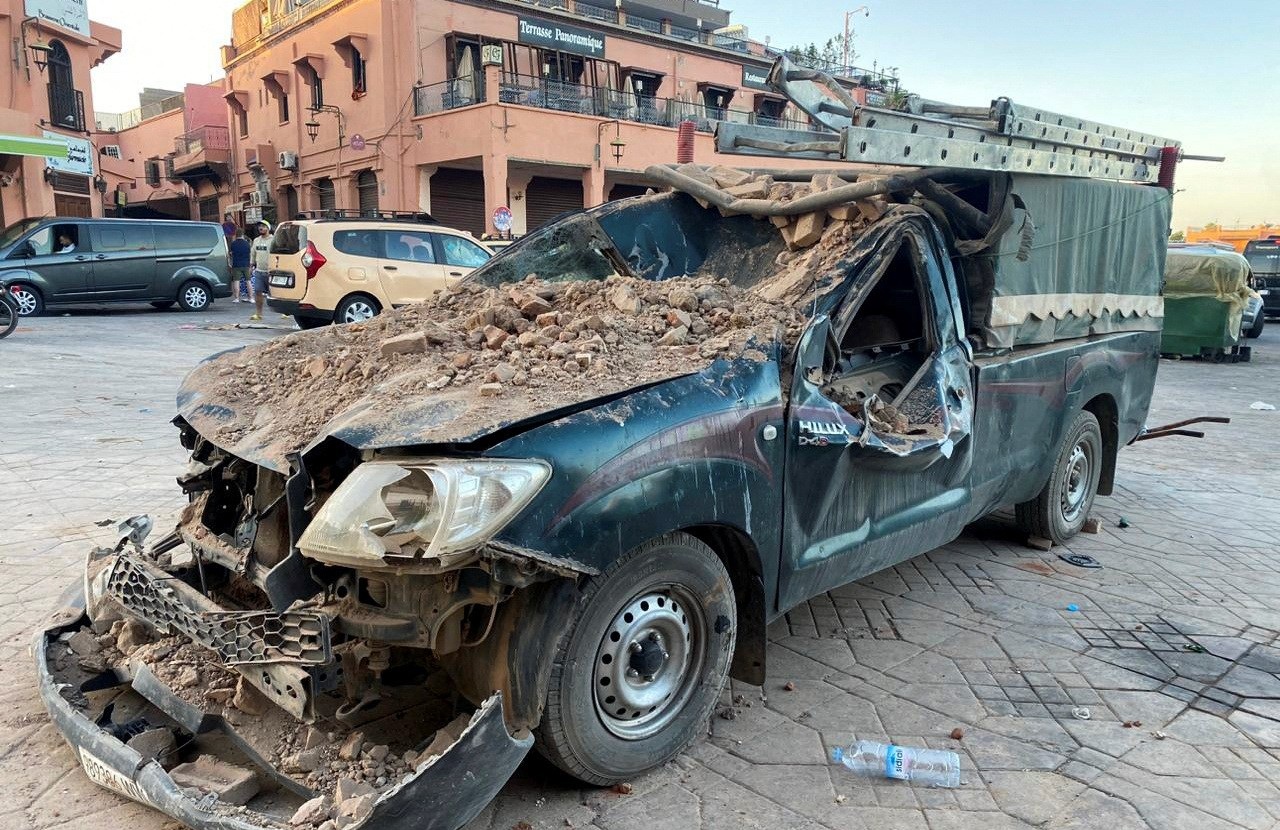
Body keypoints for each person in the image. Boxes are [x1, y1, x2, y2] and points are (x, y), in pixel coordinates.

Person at [249, 222, 272, 321]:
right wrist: (251, 265)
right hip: (259, 271)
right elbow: (253, 254)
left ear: (268, 228)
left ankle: (285, 312)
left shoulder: (273, 240)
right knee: (258, 292)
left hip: (271, 271)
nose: (260, 228)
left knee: (276, 293)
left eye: (263, 226)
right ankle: (259, 314)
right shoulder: (256, 240)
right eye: (260, 226)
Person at [228, 228, 252, 303]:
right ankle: (251, 298)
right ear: (242, 234)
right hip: (246, 265)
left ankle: (237, 298)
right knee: (248, 281)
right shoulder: (247, 243)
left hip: (236, 265)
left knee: (236, 281)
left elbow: (231, 253)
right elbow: (250, 254)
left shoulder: (233, 243)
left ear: (236, 234)